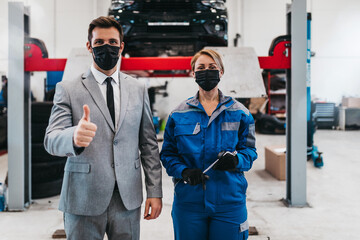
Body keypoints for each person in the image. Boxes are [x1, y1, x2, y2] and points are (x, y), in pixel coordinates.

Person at [44, 16, 162, 240]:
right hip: (83, 197)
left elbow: (148, 145)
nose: (106, 48)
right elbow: (51, 139)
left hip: (127, 199)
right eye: (99, 43)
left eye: (112, 42)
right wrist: (73, 137)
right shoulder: (68, 89)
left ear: (121, 46)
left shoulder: (138, 89)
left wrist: (155, 191)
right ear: (89, 46)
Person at [160, 49, 257, 240]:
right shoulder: (178, 114)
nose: (207, 71)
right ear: (193, 73)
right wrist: (183, 171)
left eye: (212, 67)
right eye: (201, 68)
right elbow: (168, 154)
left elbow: (250, 151)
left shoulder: (240, 113)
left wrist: (237, 160)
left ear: (221, 72)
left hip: (229, 202)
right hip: (189, 203)